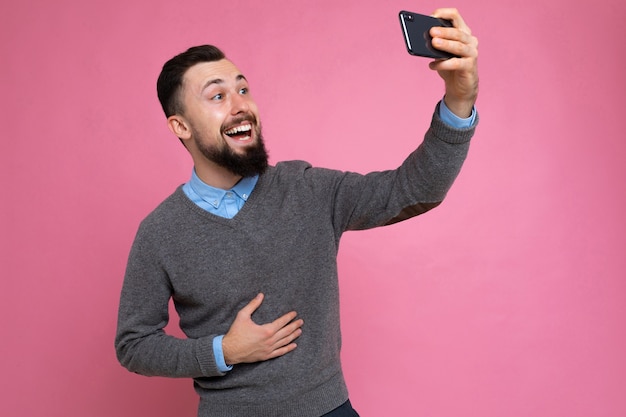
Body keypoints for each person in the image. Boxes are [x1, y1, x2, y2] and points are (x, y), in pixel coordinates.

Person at [115, 7, 479, 417]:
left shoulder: (307, 188)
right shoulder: (161, 231)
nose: (240, 105)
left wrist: (459, 101)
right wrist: (223, 351)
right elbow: (133, 345)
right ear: (181, 127)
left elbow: (414, 189)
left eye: (243, 89)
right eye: (217, 96)